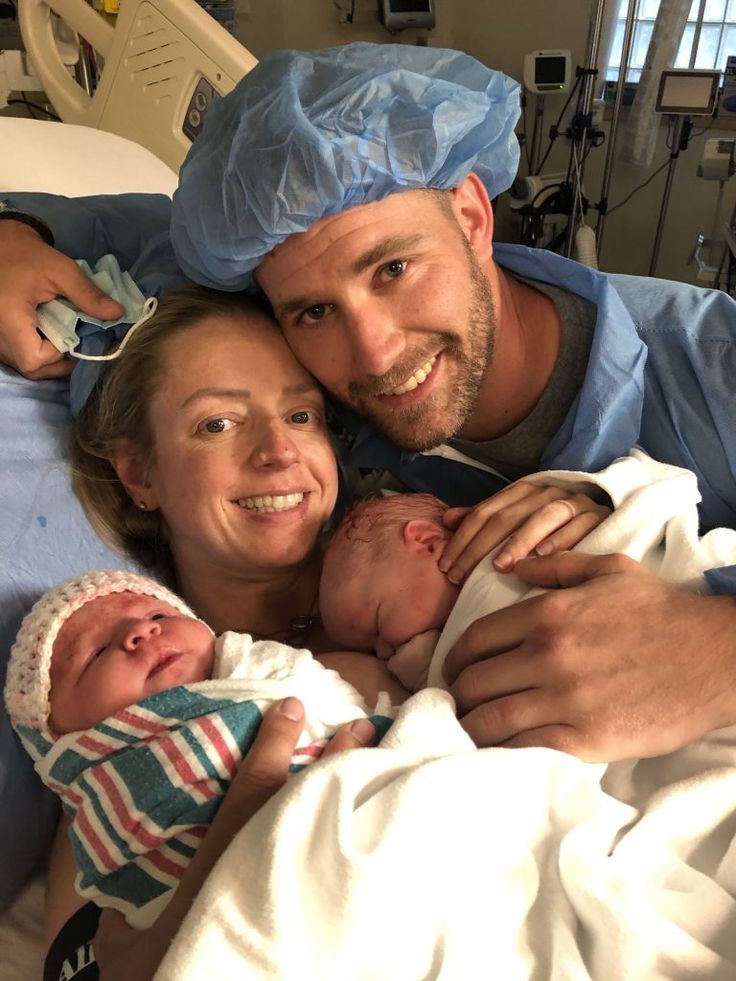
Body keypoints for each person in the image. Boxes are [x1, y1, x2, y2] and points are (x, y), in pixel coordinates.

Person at [1, 43, 735, 764]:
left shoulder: (713, 369)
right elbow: (141, 233)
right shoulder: (279, 323)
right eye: (314, 311)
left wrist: (712, 651)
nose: (375, 354)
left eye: (393, 268)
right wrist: (11, 237)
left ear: (474, 216)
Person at [31, 281, 601, 979]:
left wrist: (590, 513)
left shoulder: (435, 542)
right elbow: (89, 942)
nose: (279, 452)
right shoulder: (141, 710)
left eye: (300, 414)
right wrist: (212, 906)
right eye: (217, 423)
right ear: (138, 471)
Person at [5, 568, 398, 929]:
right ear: (60, 738)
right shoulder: (104, 794)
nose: (140, 632)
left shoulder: (285, 669)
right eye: (96, 653)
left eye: (159, 617)